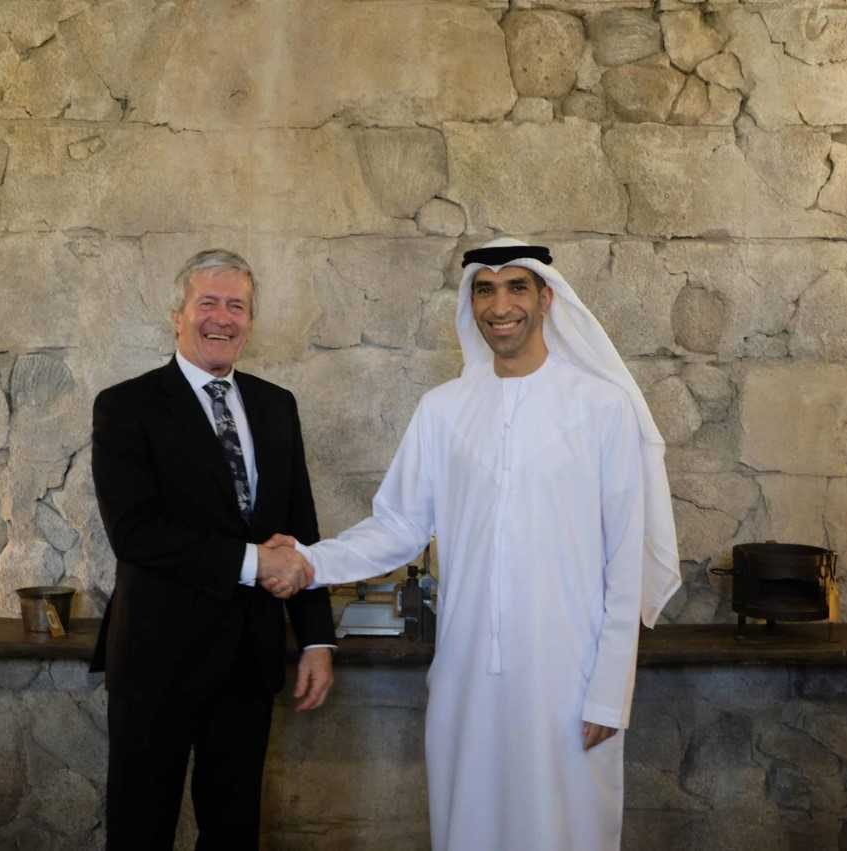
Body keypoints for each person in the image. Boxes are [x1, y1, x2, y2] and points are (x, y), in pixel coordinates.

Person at [265, 237, 682, 850]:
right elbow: (399, 526)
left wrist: (608, 692)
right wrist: (309, 560)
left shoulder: (602, 408)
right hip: (465, 680)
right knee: (470, 828)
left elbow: (625, 563)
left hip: (567, 680)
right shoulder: (443, 410)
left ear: (545, 298)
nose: (499, 304)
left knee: (563, 832)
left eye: (516, 287)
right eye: (484, 289)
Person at [89, 249, 335, 850]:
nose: (222, 318)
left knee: (233, 832)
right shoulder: (125, 406)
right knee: (139, 829)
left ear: (250, 321)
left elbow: (299, 527)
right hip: (155, 661)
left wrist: (316, 638)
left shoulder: (278, 406)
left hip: (248, 662)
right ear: (178, 315)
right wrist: (256, 563)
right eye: (208, 303)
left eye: (237, 306)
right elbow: (135, 532)